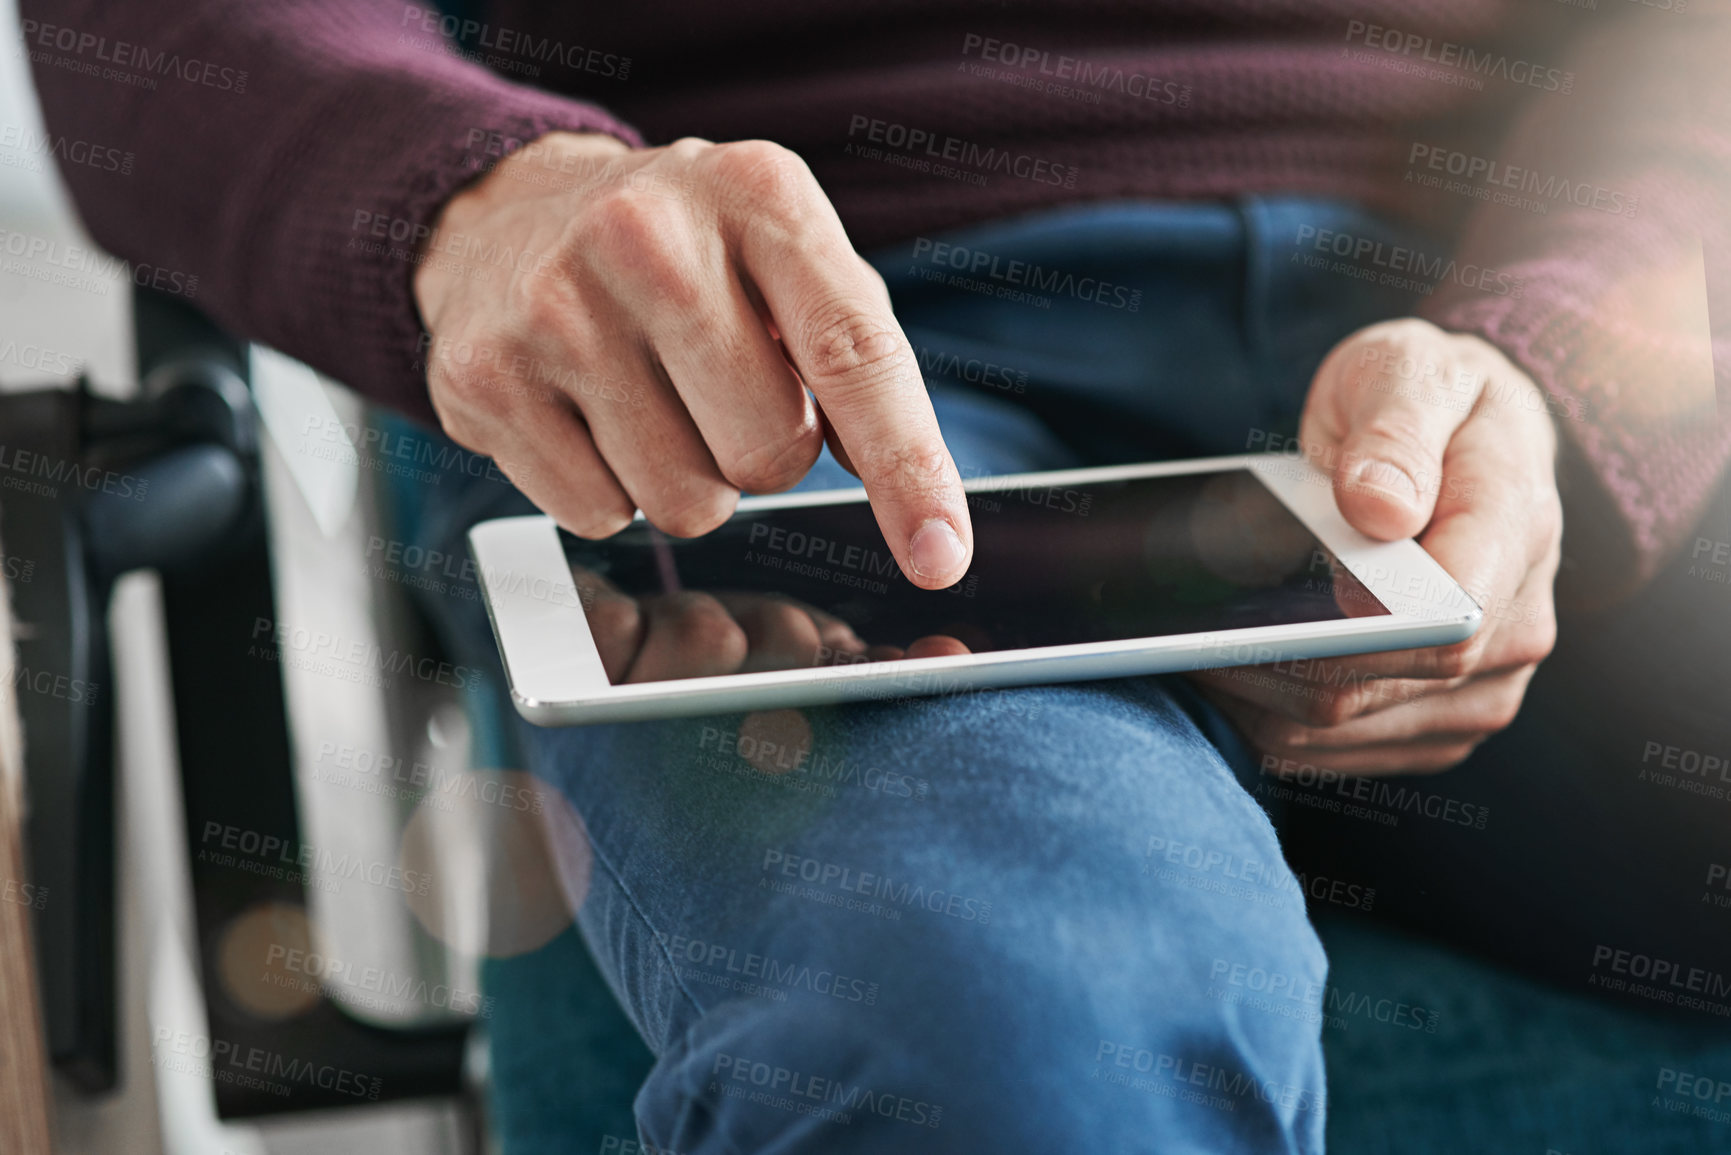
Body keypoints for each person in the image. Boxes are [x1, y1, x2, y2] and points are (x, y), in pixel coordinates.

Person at [23, 2, 1730, 1151]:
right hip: (773, 354)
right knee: (1012, 1038)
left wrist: (1570, 362)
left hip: (1501, 318)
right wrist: (478, 203)